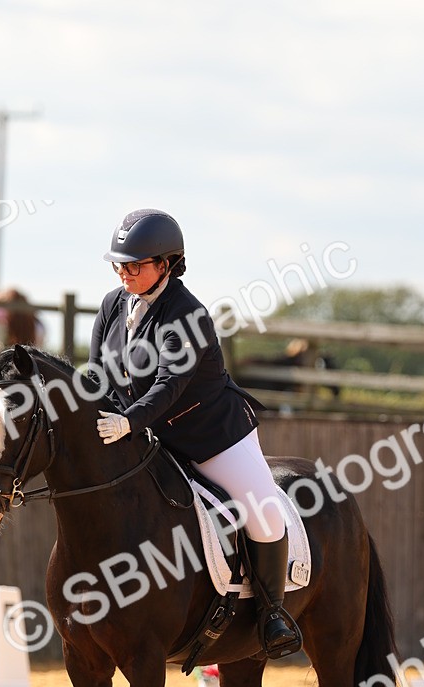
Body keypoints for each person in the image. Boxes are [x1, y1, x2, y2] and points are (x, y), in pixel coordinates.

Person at [90, 208, 302, 659]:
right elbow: (98, 373)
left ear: (166, 264)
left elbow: (170, 384)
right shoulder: (112, 306)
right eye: (119, 265)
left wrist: (129, 420)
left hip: (211, 437)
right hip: (149, 436)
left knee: (263, 512)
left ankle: (272, 612)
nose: (124, 273)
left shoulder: (188, 314)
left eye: (135, 265)